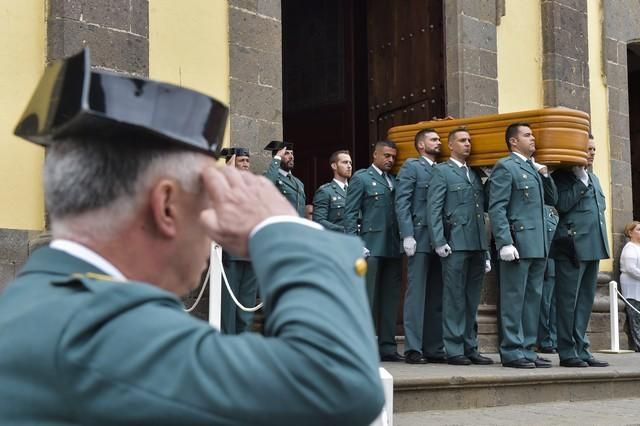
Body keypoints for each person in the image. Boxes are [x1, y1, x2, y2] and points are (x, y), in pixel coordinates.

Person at [0, 49, 385, 425]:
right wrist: (280, 227)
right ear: (166, 205)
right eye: (210, 196)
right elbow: (337, 382)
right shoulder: (106, 335)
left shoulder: (33, 305)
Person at [488, 122, 558, 369]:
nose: (533, 138)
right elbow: (497, 207)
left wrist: (545, 175)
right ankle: (511, 350)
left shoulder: (532, 168)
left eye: (533, 134)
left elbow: (552, 200)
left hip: (538, 244)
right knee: (513, 298)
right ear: (513, 141)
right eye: (527, 135)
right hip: (517, 243)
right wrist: (504, 242)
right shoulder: (506, 167)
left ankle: (528, 348)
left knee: (532, 300)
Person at [427, 128, 493, 366]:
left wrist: (485, 251)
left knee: (471, 298)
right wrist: (439, 241)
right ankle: (454, 348)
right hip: (454, 242)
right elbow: (433, 208)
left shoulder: (474, 174)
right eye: (463, 140)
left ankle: (470, 346)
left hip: (476, 243)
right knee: (454, 297)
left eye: (470, 140)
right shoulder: (443, 172)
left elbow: (482, 210)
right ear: (451, 145)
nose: (468, 144)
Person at [550, 134, 610, 367]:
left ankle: (582, 348)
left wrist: (585, 179)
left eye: (594, 149)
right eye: (588, 148)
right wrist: (580, 182)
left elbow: (599, 210)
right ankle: (567, 351)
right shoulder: (563, 177)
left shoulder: (592, 178)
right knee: (568, 300)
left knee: (585, 301)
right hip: (572, 246)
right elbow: (562, 205)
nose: (592, 152)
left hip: (593, 245)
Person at [344, 140, 403, 362]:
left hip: (392, 245)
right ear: (375, 155)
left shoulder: (394, 181)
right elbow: (350, 213)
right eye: (386, 155)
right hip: (370, 245)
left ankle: (387, 346)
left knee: (390, 299)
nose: (390, 160)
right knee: (366, 298)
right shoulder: (362, 178)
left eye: (393, 157)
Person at [394, 129, 446, 364]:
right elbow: (402, 201)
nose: (439, 142)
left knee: (437, 293)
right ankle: (413, 348)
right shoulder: (412, 167)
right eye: (433, 139)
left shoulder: (442, 169)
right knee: (416, 293)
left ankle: (434, 346)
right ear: (421, 145)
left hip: (442, 238)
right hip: (420, 235)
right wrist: (407, 234)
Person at [219, 147, 258, 334]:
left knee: (247, 306)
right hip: (231, 253)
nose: (245, 165)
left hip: (250, 253)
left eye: (247, 162)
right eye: (241, 161)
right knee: (228, 307)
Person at [312, 150, 352, 232]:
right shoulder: (325, 191)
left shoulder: (355, 190)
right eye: (345, 162)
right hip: (337, 239)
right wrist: (344, 230)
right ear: (334, 166)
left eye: (350, 163)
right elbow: (319, 221)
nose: (349, 166)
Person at [264, 141, 306, 216]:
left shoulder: (299, 183)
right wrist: (277, 159)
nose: (291, 157)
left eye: (292, 153)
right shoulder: (271, 177)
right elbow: (267, 186)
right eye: (286, 153)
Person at [620, 221, 640, 351]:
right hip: (632, 287)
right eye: (638, 230)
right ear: (630, 232)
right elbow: (631, 268)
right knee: (635, 317)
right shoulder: (630, 248)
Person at [537, 259, 557, 353]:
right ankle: (544, 341)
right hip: (548, 264)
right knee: (545, 305)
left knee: (556, 307)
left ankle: (555, 339)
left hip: (561, 263)